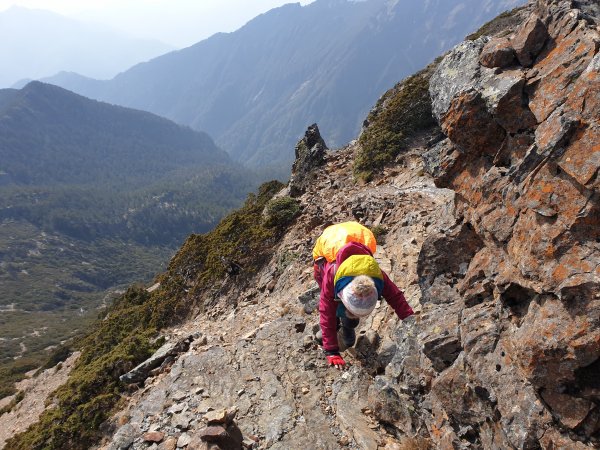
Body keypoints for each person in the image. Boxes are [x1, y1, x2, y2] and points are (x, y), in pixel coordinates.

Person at [313, 222, 414, 369]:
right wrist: (331, 351)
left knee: (350, 320)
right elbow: (326, 309)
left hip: (350, 245)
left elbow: (396, 297)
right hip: (325, 253)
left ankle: (346, 328)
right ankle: (333, 332)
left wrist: (410, 319)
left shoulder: (376, 275)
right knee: (332, 309)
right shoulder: (331, 274)